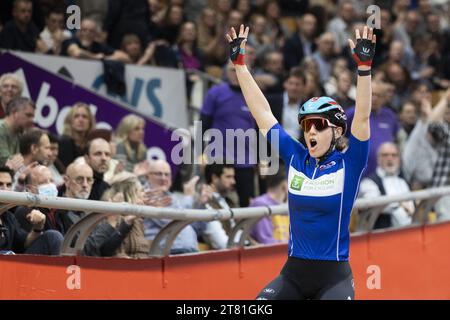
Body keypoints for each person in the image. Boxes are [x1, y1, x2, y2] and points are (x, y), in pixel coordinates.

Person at [226, 24, 376, 299]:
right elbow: (263, 115)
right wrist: (240, 66)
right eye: (307, 126)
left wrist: (364, 70)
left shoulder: (350, 163)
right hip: (293, 275)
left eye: (319, 126)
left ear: (338, 131)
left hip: (334, 279)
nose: (311, 132)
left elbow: (363, 118)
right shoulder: (295, 156)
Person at [0, 166, 63, 255]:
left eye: (8, 185)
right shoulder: (24, 210)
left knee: (53, 236)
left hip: (13, 266)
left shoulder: (9, 217)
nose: (5, 189)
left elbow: (25, 243)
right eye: (0, 184)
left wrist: (38, 227)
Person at [358, 143, 414, 229]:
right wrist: (399, 204)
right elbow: (372, 203)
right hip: (384, 236)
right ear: (378, 159)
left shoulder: (403, 180)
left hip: (411, 231)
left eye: (394, 155)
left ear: (399, 159)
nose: (390, 158)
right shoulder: (368, 182)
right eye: (385, 155)